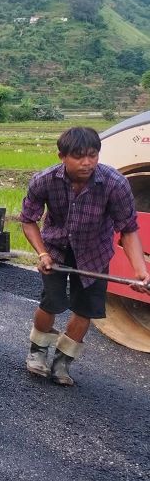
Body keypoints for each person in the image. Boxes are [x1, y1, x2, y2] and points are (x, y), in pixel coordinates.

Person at [20, 126, 150, 386]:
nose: (87, 162)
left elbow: (129, 229)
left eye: (92, 155)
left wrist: (140, 271)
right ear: (62, 156)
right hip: (56, 250)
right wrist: (42, 253)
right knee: (51, 303)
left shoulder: (115, 183)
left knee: (85, 309)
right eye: (79, 156)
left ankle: (63, 361)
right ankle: (37, 351)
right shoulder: (44, 180)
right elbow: (28, 220)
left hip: (94, 251)